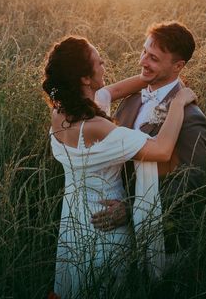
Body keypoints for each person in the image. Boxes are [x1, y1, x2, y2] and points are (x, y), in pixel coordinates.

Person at [43, 36, 197, 298]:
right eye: (97, 60)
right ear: (84, 79)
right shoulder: (97, 127)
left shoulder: (60, 113)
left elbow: (111, 92)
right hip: (106, 227)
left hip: (73, 222)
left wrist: (153, 74)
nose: (103, 63)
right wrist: (179, 101)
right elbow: (161, 150)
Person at [90, 21, 206, 256]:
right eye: (144, 51)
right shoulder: (133, 97)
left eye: (153, 58)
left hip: (159, 235)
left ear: (178, 66)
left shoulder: (191, 117)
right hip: (111, 229)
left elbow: (188, 181)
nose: (143, 61)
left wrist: (130, 208)